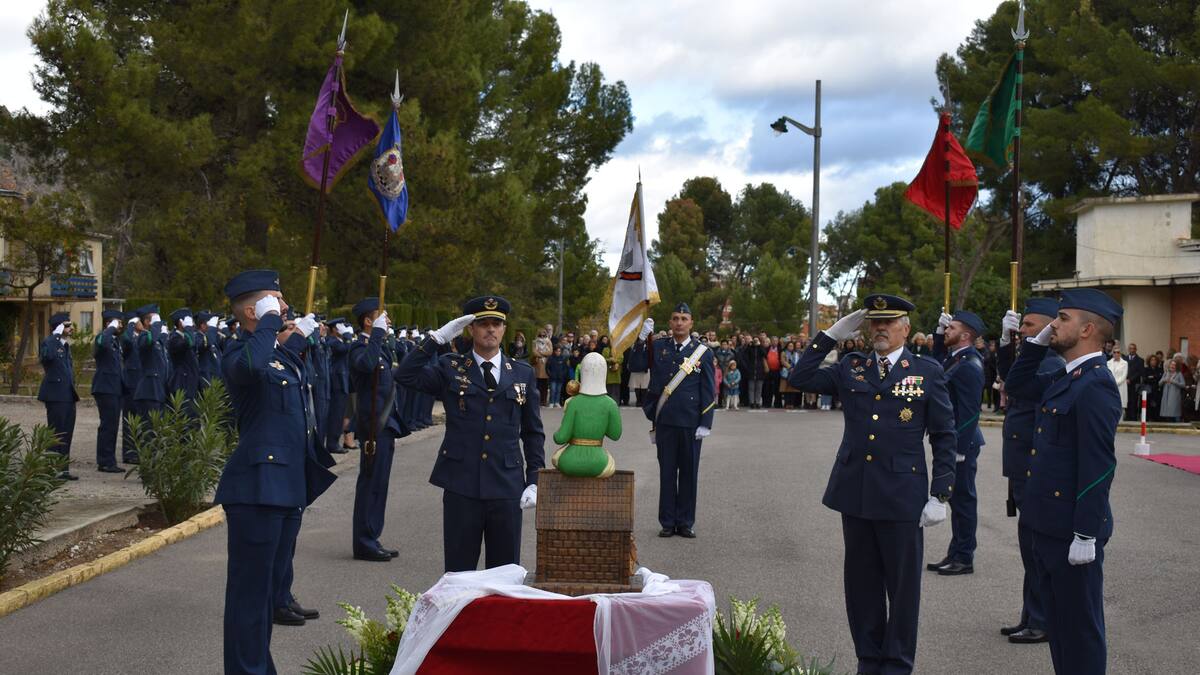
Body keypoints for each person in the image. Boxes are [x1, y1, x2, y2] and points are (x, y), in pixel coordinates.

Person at [788, 294, 955, 675]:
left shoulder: (926, 372)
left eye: (888, 322)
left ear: (906, 328)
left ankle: (896, 663)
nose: (880, 329)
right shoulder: (852, 367)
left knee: (902, 587)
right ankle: (869, 656)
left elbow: (945, 436)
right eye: (874, 322)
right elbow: (799, 378)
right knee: (861, 585)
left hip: (902, 496)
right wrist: (829, 335)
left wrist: (940, 494)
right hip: (857, 492)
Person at [216, 270, 336, 675]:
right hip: (256, 491)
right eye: (274, 301)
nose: (284, 307)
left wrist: (297, 330)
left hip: (286, 488)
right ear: (252, 310)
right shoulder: (238, 354)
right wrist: (268, 323)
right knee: (249, 598)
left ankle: (258, 668)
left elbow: (289, 357)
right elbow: (252, 365)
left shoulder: (275, 353)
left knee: (267, 596)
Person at [1004, 288, 1123, 675]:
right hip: (1047, 525)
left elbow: (1099, 466)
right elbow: (1018, 386)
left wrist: (1086, 534)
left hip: (1072, 531)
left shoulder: (1096, 385)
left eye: (1063, 319)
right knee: (1059, 629)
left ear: (1088, 329)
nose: (1054, 324)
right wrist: (1034, 346)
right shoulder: (1065, 376)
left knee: (1080, 632)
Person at [397, 295, 545, 572]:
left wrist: (535, 478)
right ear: (470, 329)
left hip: (507, 484)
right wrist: (436, 339)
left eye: (496, 324)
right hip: (461, 483)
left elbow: (533, 431)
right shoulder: (450, 368)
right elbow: (404, 375)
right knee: (458, 573)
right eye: (483, 323)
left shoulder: (522, 373)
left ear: (504, 329)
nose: (490, 329)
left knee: (504, 576)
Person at [995, 298, 1064, 645]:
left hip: (1033, 468)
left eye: (1029, 326)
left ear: (1051, 328)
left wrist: (1012, 349)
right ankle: (1030, 615)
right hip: (1022, 467)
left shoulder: (1051, 362)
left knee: (1035, 550)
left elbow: (1018, 382)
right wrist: (1005, 344)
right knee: (1029, 547)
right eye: (1021, 326)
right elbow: (1012, 375)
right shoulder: (1037, 359)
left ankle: (1040, 619)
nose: (1023, 331)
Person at [643, 302, 716, 539]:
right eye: (675, 318)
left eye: (684, 319)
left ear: (691, 323)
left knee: (688, 473)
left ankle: (685, 522)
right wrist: (640, 340)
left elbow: (708, 389)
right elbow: (637, 367)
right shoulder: (659, 347)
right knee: (666, 473)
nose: (679, 323)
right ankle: (667, 521)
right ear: (670, 322)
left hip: (690, 423)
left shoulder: (703, 352)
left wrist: (706, 422)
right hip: (666, 421)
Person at [347, 298, 411, 562]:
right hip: (373, 425)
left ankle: (371, 535)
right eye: (381, 316)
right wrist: (376, 336)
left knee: (379, 484)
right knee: (371, 483)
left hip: (385, 424)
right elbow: (366, 365)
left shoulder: (378, 346)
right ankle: (364, 542)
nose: (388, 321)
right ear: (367, 321)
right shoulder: (360, 347)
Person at [927, 310, 987, 577]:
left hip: (962, 443)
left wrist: (959, 450)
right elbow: (934, 368)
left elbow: (971, 411)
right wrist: (939, 336)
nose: (945, 330)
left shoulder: (970, 364)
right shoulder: (956, 359)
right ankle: (955, 552)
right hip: (951, 441)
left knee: (963, 501)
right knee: (956, 501)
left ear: (965, 336)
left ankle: (964, 557)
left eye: (950, 328)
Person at [552, 352, 622, 478]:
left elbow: (561, 438)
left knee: (556, 458)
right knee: (610, 465)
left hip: (570, 462)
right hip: (599, 463)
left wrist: (557, 434)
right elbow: (615, 434)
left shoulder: (574, 402)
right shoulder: (610, 404)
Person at [39, 312, 80, 480]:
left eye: (70, 325)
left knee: (66, 433)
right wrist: (54, 337)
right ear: (58, 327)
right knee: (56, 433)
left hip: (68, 395)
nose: (70, 328)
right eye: (67, 325)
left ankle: (63, 469)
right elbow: (46, 357)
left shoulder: (64, 345)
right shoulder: (49, 343)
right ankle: (52, 469)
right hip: (56, 396)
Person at [91, 309, 126, 473]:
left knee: (112, 425)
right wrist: (110, 329)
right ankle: (105, 461)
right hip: (105, 388)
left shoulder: (114, 341)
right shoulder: (102, 338)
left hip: (114, 388)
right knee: (107, 425)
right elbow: (101, 344)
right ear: (108, 323)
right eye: (117, 322)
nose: (120, 325)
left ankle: (109, 460)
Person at [133, 304, 170, 421]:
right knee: (149, 432)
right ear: (147, 321)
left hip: (158, 391)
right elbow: (150, 340)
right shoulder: (143, 337)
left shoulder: (156, 340)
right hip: (149, 391)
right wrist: (156, 325)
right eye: (154, 319)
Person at [323, 318, 353, 455]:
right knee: (336, 414)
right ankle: (332, 443)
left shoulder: (338, 341)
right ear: (335, 329)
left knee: (340, 413)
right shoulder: (332, 341)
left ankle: (335, 442)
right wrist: (347, 336)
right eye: (341, 327)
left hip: (342, 381)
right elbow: (345, 349)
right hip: (337, 382)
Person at [119, 310, 143, 465]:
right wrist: (131, 325)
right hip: (130, 383)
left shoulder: (139, 338)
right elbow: (125, 340)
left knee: (138, 420)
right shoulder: (128, 338)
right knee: (129, 420)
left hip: (139, 383)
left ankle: (136, 450)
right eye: (139, 321)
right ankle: (129, 453)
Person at [166, 307, 201, 407]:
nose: (193, 324)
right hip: (182, 383)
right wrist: (188, 328)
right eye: (189, 321)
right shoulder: (175, 339)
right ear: (181, 323)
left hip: (190, 382)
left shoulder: (183, 337)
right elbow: (190, 343)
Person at [626, 321, 652, 407]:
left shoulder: (649, 345)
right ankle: (638, 400)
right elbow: (632, 355)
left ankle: (643, 401)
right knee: (636, 386)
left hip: (645, 368)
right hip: (636, 368)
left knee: (645, 386)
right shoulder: (636, 345)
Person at [1124, 343, 1145, 421]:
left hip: (1134, 384)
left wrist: (1131, 379)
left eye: (1133, 348)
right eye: (1130, 348)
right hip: (1125, 383)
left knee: (1134, 401)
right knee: (1126, 401)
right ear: (1128, 349)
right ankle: (1127, 417)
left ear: (1136, 350)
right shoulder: (1124, 358)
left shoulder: (1140, 360)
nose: (1132, 350)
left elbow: (1140, 372)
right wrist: (1125, 379)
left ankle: (1133, 418)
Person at [533, 328, 552, 404]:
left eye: (544, 334)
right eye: (540, 335)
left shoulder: (548, 341)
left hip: (546, 366)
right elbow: (534, 352)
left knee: (545, 385)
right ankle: (537, 400)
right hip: (538, 365)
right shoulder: (535, 342)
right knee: (538, 385)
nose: (542, 336)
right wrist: (542, 354)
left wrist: (541, 353)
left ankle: (544, 401)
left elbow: (550, 351)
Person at [1106, 345, 1129, 410]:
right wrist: (1112, 383)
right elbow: (1108, 374)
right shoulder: (1108, 363)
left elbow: (1124, 376)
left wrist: (1115, 383)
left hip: (1121, 386)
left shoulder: (1125, 363)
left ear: (1120, 353)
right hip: (1110, 386)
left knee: (1120, 406)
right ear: (1112, 353)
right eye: (1114, 352)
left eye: (1118, 352)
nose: (1116, 354)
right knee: (1111, 405)